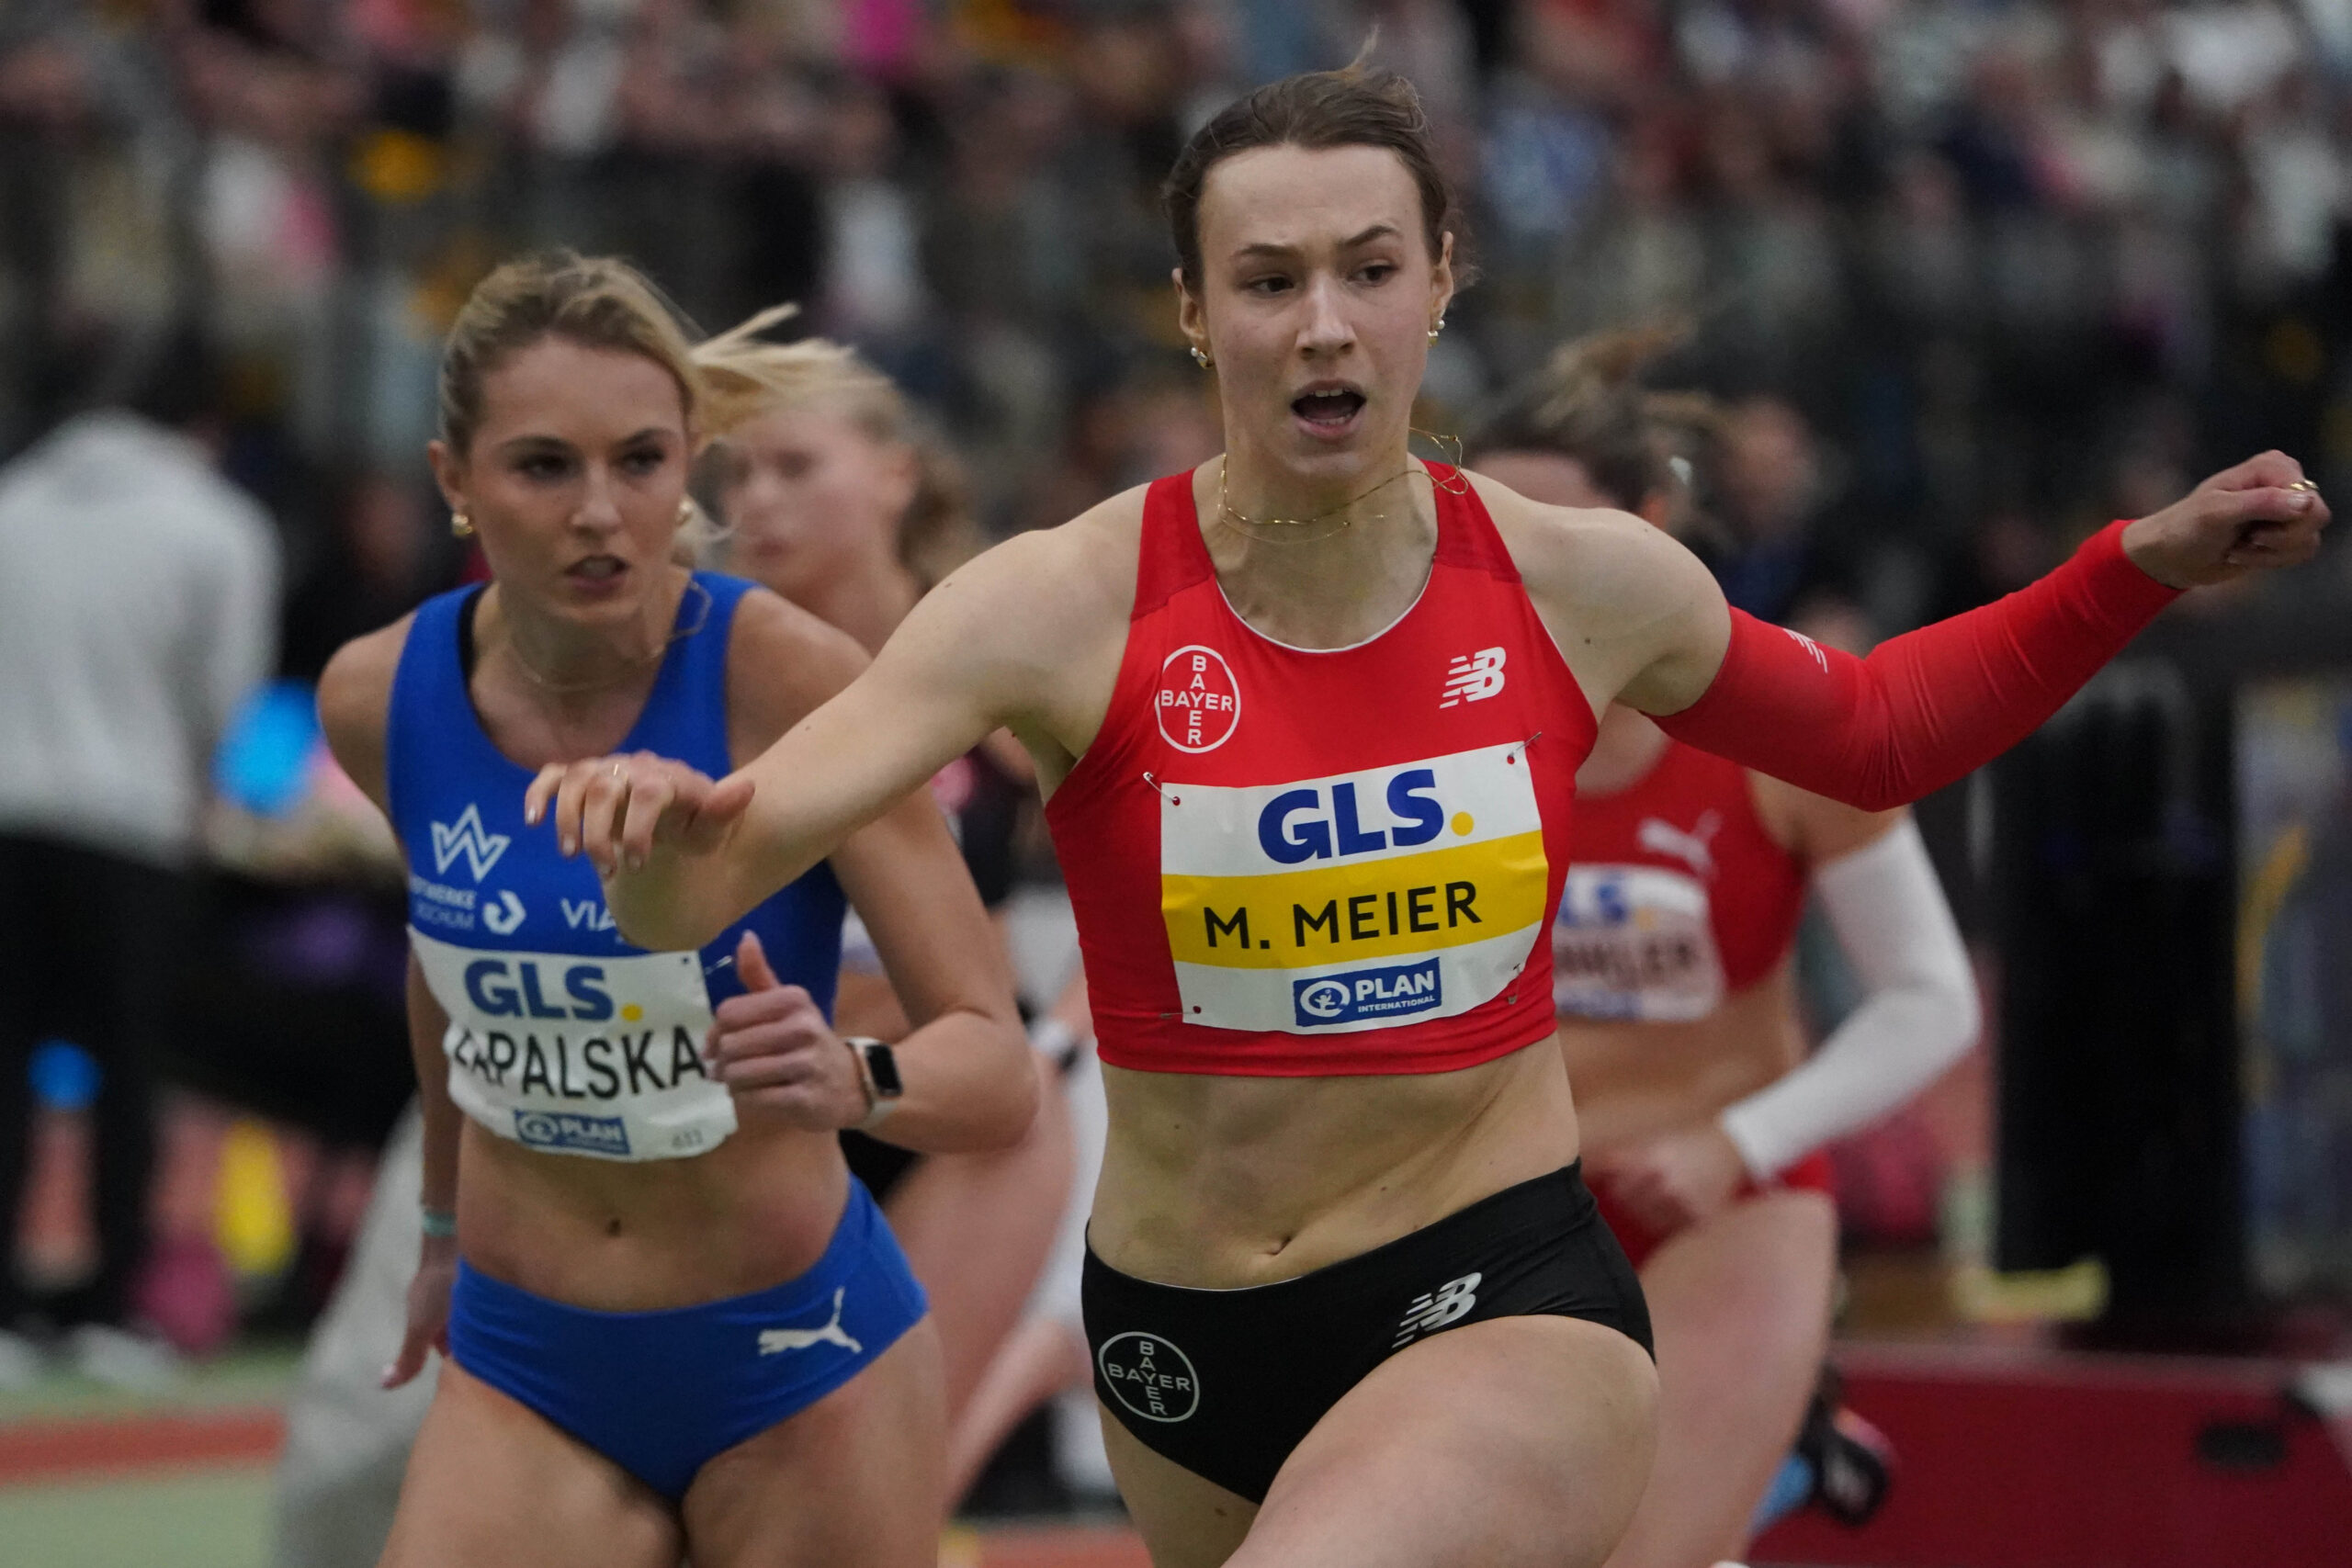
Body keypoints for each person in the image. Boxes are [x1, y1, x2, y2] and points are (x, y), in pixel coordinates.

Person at [526, 65, 2326, 1568]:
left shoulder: (1579, 582)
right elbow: (716, 877)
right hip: (1177, 1338)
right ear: (1193, 307)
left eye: (1367, 267)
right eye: (1266, 277)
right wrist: (655, 822)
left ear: (1436, 282)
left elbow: (1866, 734)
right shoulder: (1051, 603)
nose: (1320, 320)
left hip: (1499, 1284)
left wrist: (2123, 570)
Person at [315, 253, 1035, 1567]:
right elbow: (450, 970)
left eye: (640, 460)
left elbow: (998, 1068)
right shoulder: (378, 695)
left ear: (689, 461)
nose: (601, 512)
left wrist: (852, 1074)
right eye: (543, 466)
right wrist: (433, 1227)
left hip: (799, 1361)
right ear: (452, 482)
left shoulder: (792, 677)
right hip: (526, 1357)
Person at [1471, 332, 1980, 1567]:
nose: (1523, 568)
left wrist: (1735, 1141)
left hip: (1725, 1199)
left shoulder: (1781, 723)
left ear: (1649, 523)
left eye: (1559, 530)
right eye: (1488, 535)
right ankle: (1787, 1459)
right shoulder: (1428, 747)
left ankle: (1770, 1434)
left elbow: (1933, 999)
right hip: (1507, 1211)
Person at [706, 325, 1079, 1494]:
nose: (758, 501)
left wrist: (1065, 1034)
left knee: (875, 1481)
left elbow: (1156, 879)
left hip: (958, 1127)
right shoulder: (707, 668)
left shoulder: (991, 657)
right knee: (733, 1481)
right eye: (735, 476)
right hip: (757, 1118)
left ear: (893, 471)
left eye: (794, 466)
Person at [0, 329, 282, 1388]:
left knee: (8, 1066)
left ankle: (8, 1311)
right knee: (128, 1076)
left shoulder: (14, 504)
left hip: (8, 812)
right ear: (207, 426)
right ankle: (111, 1307)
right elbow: (225, 696)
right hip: (132, 827)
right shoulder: (216, 526)